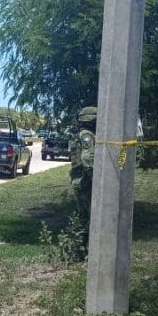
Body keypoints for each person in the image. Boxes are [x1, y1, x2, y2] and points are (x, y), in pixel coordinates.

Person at [69, 106, 96, 254]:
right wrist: (95, 177)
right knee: (92, 215)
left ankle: (79, 248)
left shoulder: (79, 134)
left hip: (78, 180)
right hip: (85, 180)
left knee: (83, 215)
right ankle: (86, 250)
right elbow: (87, 158)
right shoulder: (87, 136)